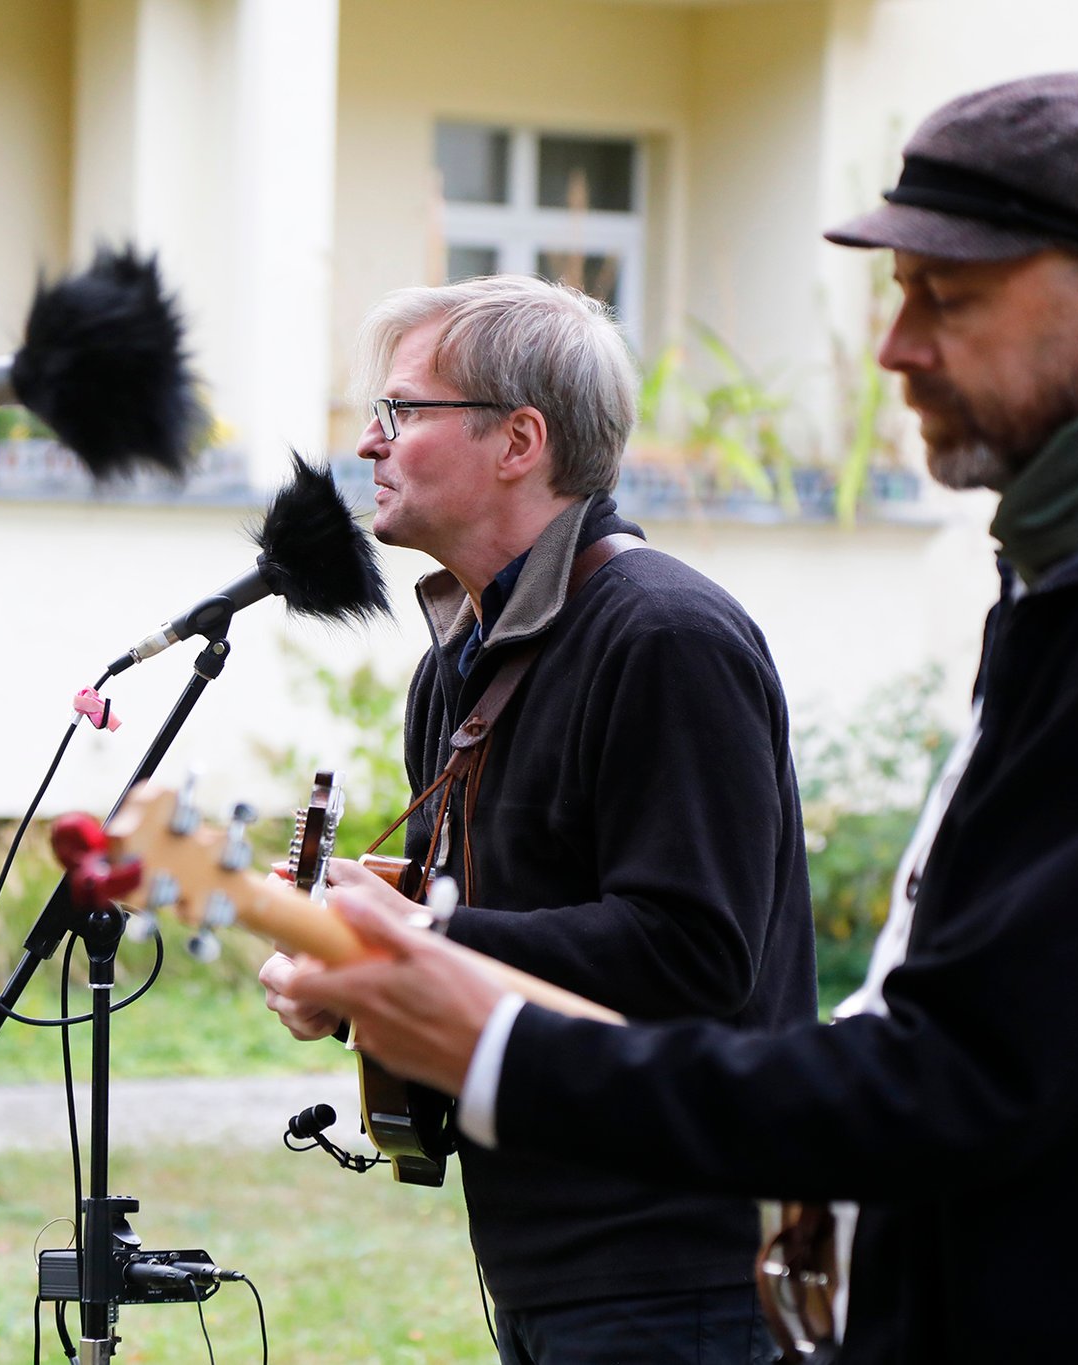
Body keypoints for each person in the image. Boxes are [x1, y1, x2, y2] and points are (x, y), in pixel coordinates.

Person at [282, 72, 1078, 1364]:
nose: (896, 347)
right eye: (897, 294)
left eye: (945, 297)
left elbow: (957, 1077)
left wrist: (495, 1036)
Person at [259, 274, 817, 1362]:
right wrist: (345, 976)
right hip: (542, 1249)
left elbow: (694, 950)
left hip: (674, 1259)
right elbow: (452, 928)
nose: (367, 446)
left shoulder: (663, 636)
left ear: (517, 440)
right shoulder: (458, 664)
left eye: (400, 413)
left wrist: (407, 940)